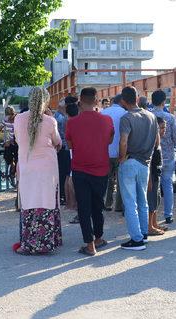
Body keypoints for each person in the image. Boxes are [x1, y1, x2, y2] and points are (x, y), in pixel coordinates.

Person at [12, 87, 63, 254]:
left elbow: (19, 141)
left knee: (29, 202)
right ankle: (48, 241)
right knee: (47, 201)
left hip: (27, 167)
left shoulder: (18, 119)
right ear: (45, 102)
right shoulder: (50, 121)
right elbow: (58, 142)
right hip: (47, 169)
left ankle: (29, 243)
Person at [66, 87, 114, 256]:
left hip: (80, 169)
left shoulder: (71, 122)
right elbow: (110, 140)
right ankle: (99, 237)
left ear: (80, 101)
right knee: (97, 205)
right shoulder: (107, 120)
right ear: (96, 100)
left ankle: (90, 244)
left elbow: (70, 145)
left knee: (84, 208)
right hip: (101, 168)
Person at [118, 86, 159, 251]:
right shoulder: (151, 116)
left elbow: (123, 141)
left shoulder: (126, 118)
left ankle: (136, 239)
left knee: (130, 202)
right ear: (137, 97)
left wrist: (121, 158)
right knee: (143, 201)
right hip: (145, 163)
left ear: (123, 101)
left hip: (130, 160)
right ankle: (143, 234)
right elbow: (157, 143)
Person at [148, 90, 176, 224]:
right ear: (164, 102)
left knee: (152, 186)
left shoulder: (148, 116)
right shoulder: (170, 118)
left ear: (152, 101)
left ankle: (152, 216)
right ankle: (168, 215)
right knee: (168, 184)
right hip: (168, 156)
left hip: (151, 157)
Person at [100, 94, 126, 212]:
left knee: (107, 179)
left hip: (105, 151)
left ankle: (107, 203)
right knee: (121, 180)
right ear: (122, 101)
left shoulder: (103, 113)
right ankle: (119, 205)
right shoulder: (125, 113)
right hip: (121, 151)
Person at [147, 117, 165, 236]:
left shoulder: (158, 141)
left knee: (156, 199)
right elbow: (149, 162)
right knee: (151, 200)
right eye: (161, 128)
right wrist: (148, 179)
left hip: (157, 173)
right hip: (152, 174)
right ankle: (149, 226)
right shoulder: (152, 142)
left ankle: (154, 222)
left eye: (164, 128)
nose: (163, 130)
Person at [54, 96, 74, 205]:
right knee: (66, 173)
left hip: (61, 147)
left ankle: (63, 196)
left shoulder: (58, 116)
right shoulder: (63, 117)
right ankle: (65, 197)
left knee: (63, 173)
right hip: (65, 147)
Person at [0, 106, 18, 174]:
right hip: (12, 142)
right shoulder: (6, 120)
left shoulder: (18, 120)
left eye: (11, 116)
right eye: (8, 116)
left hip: (19, 142)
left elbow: (20, 133)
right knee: (6, 155)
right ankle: (12, 165)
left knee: (18, 159)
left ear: (14, 114)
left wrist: (10, 141)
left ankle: (18, 178)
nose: (9, 119)